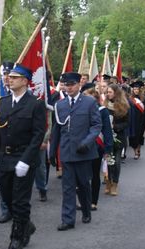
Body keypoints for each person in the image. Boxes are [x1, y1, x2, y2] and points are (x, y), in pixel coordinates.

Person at [0, 64, 46, 249]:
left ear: (25, 81)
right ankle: (26, 224)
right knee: (6, 198)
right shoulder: (3, 103)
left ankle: (16, 240)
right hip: (5, 158)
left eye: (15, 77)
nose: (10, 79)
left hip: (24, 158)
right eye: (9, 77)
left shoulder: (35, 104)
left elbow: (38, 135)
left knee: (20, 201)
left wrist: (26, 160)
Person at [50, 72, 102, 230]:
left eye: (71, 84)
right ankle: (68, 219)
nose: (68, 88)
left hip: (84, 152)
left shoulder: (89, 102)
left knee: (84, 185)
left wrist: (86, 142)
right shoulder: (60, 105)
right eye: (66, 85)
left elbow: (96, 125)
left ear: (79, 84)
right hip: (67, 152)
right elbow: (57, 129)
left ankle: (86, 210)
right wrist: (52, 152)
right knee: (67, 187)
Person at [82, 83, 113, 210]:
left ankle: (93, 201)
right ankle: (83, 199)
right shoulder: (80, 109)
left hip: (96, 146)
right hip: (82, 146)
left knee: (94, 174)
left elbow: (107, 130)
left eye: (86, 96)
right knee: (82, 175)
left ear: (93, 98)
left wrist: (108, 148)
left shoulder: (102, 110)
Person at [105, 84, 129, 195]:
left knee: (117, 161)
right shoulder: (104, 104)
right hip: (107, 137)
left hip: (119, 137)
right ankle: (108, 181)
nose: (108, 94)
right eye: (107, 92)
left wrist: (116, 127)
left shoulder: (123, 106)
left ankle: (115, 183)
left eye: (110, 92)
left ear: (116, 93)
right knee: (109, 160)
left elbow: (127, 123)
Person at [0, 61, 14, 223]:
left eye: (9, 75)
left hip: (18, 148)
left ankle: (17, 212)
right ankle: (5, 209)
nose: (6, 79)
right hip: (1, 146)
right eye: (4, 75)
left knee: (18, 187)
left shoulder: (22, 95)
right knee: (3, 183)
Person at [128, 81, 145, 159]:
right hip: (132, 121)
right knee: (133, 137)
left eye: (137, 89)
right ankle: (135, 151)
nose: (136, 90)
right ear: (132, 90)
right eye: (134, 89)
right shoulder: (130, 99)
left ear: (140, 90)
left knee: (140, 136)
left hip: (141, 120)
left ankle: (138, 150)